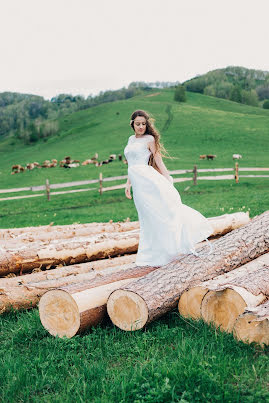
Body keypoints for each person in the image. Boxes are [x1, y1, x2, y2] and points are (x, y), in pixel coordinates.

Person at [124, 109, 213, 267]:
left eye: (144, 124)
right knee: (145, 218)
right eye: (138, 124)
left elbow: (158, 160)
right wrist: (128, 184)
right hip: (137, 185)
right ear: (132, 124)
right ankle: (149, 255)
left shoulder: (149, 139)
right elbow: (131, 164)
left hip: (148, 181)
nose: (141, 127)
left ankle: (169, 249)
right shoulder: (131, 140)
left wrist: (167, 178)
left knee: (159, 213)